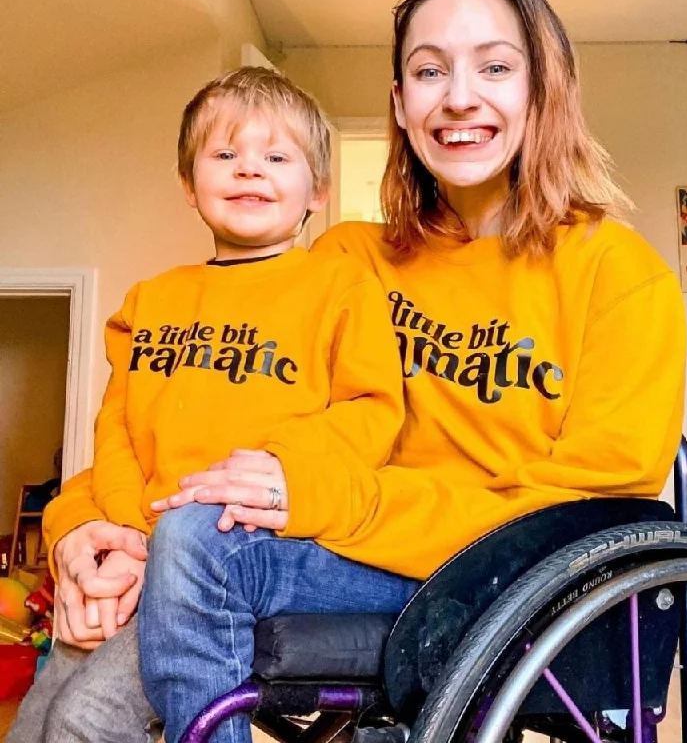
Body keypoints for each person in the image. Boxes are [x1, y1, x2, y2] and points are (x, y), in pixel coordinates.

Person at [138, 0, 687, 741]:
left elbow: (590, 508)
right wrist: (105, 525)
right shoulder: (345, 261)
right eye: (430, 72)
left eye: (494, 68)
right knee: (190, 538)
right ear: (399, 103)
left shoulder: (618, 275)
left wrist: (357, 500)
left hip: (505, 580)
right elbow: (228, 412)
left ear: (541, 90)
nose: (459, 99)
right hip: (351, 562)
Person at [8, 66, 406, 743]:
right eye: (225, 155)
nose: (250, 170)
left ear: (319, 190)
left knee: (85, 721)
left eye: (276, 157)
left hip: (239, 557)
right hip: (143, 552)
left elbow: (371, 416)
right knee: (39, 718)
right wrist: (130, 541)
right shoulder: (152, 299)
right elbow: (119, 433)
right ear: (189, 185)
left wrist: (279, 466)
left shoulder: (342, 287)